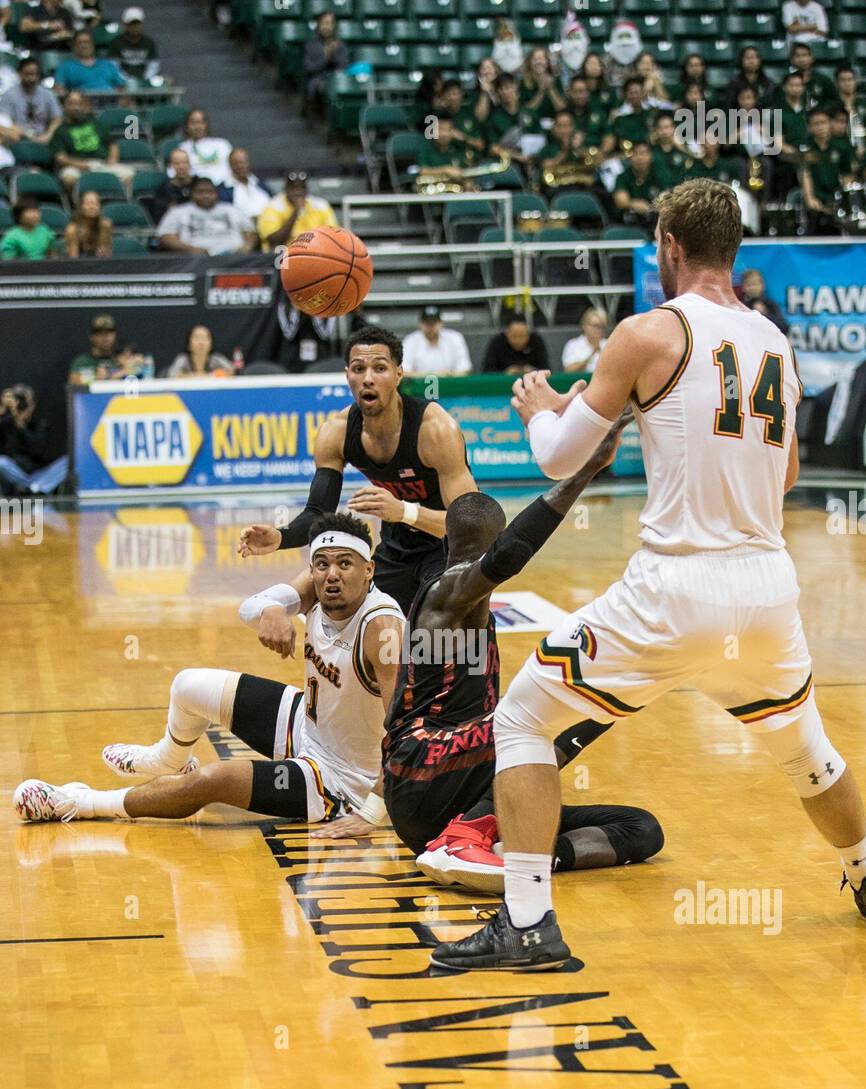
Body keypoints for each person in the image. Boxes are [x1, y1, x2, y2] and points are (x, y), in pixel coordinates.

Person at [437, 178, 866, 973]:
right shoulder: (774, 339)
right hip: (768, 586)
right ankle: (865, 874)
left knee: (523, 721)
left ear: (668, 245)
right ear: (736, 251)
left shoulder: (647, 331)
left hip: (678, 586)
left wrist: (538, 405)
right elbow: (790, 471)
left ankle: (527, 923)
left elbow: (562, 456)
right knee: (810, 752)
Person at [381, 413, 663, 905]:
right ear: (487, 544)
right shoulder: (446, 594)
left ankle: (518, 851)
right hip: (419, 773)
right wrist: (585, 471)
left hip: (458, 780)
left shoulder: (465, 604)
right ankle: (461, 841)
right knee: (562, 706)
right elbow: (512, 552)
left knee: (641, 829)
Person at [14, 515, 406, 838]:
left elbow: (406, 729)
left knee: (214, 780)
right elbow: (250, 609)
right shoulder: (319, 587)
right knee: (188, 685)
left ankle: (81, 802)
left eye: (345, 563)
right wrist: (274, 608)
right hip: (307, 725)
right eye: (322, 564)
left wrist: (372, 812)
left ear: (368, 569)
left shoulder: (382, 627)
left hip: (339, 780)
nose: (332, 574)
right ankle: (166, 761)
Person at [236, 328, 477, 616]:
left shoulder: (435, 429)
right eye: (359, 369)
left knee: (434, 628)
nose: (368, 378)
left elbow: (472, 525)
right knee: (347, 613)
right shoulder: (335, 433)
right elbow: (317, 512)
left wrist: (403, 511)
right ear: (347, 375)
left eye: (380, 368)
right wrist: (281, 537)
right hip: (397, 546)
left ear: (399, 374)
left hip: (450, 549)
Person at [50, 91, 136, 194]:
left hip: (101, 164)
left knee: (129, 174)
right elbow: (60, 158)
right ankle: (78, 207)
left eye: (79, 104)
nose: (75, 107)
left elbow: (112, 144)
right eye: (71, 104)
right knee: (68, 177)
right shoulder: (60, 130)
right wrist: (82, 165)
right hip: (76, 167)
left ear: (84, 106)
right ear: (65, 106)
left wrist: (112, 160)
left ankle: (115, 206)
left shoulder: (96, 123)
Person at [156, 176, 256, 255]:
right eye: (200, 192)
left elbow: (251, 233)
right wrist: (189, 249)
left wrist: (246, 246)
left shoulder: (233, 210)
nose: (206, 196)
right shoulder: (178, 212)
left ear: (217, 193)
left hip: (234, 259)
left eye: (210, 192)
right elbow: (166, 237)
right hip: (193, 260)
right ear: (192, 193)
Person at [0, 384, 68, 496]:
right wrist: (2, 409)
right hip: (15, 475)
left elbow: (38, 450)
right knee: (1, 462)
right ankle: (36, 488)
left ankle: (33, 488)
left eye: (25, 403)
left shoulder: (39, 424)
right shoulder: (5, 423)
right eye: (18, 402)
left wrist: (21, 426)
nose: (22, 406)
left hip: (38, 474)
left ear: (32, 405)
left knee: (67, 462)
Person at [801, 106, 853, 232]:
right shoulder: (805, 148)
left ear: (830, 123)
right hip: (817, 198)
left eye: (823, 122)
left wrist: (844, 198)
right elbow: (804, 174)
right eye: (816, 124)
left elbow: (847, 175)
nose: (820, 127)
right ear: (809, 127)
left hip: (837, 197)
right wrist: (810, 198)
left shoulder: (842, 147)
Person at [257, 170, 336, 252]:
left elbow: (332, 237)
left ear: (307, 189)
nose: (298, 192)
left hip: (313, 254)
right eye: (293, 188)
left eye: (302, 188)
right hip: (280, 258)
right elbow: (274, 242)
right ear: (285, 189)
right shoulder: (273, 207)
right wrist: (296, 212)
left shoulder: (320, 206)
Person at [0, 57, 63, 143]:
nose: (31, 78)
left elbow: (57, 118)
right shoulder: (9, 95)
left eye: (34, 74)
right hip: (18, 138)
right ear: (19, 73)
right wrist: (27, 135)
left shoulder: (48, 94)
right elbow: (4, 120)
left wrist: (48, 134)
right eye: (28, 74)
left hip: (44, 137)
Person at [613, 141, 668, 233]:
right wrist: (633, 204)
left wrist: (651, 208)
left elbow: (667, 197)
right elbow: (621, 201)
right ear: (630, 157)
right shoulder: (623, 177)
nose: (640, 158)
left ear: (650, 156)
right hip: (629, 221)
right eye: (635, 154)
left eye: (643, 153)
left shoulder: (659, 175)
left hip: (654, 220)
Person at [402, 306, 472, 377]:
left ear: (441, 323)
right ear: (420, 324)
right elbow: (403, 372)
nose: (430, 327)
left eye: (433, 323)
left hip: (449, 385)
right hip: (420, 386)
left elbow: (465, 369)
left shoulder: (455, 338)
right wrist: (434, 376)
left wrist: (448, 375)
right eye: (427, 323)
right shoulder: (410, 341)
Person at [54, 31, 127, 95]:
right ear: (74, 46)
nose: (84, 46)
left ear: (93, 44)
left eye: (87, 42)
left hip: (110, 105)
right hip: (82, 107)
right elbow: (59, 91)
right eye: (80, 42)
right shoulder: (65, 67)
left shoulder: (108, 65)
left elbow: (121, 88)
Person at [303, 10, 347, 109]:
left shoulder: (340, 45)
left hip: (336, 79)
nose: (327, 27)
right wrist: (325, 57)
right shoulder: (311, 45)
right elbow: (309, 69)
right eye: (324, 23)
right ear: (319, 25)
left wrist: (333, 53)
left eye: (330, 24)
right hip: (318, 79)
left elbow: (343, 66)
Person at [178, 108, 233, 185]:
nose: (197, 127)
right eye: (193, 123)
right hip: (198, 191)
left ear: (206, 124)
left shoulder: (223, 144)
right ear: (187, 126)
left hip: (226, 189)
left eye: (201, 122)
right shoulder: (183, 149)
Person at [482, 313, 549, 375]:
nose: (518, 340)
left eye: (522, 336)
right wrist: (505, 372)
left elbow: (546, 369)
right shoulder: (497, 342)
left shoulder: (536, 341)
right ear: (507, 333)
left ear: (529, 333)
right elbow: (487, 371)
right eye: (514, 336)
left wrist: (534, 371)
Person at [68, 313, 125, 385]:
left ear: (115, 335)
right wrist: (95, 378)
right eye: (100, 333)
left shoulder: (121, 360)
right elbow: (73, 381)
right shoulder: (82, 362)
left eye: (109, 332)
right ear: (91, 337)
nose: (105, 338)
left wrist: (129, 369)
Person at [107, 7, 160, 83]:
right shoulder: (116, 42)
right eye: (132, 24)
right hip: (122, 82)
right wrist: (127, 79)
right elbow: (113, 66)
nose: (135, 27)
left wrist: (145, 79)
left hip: (145, 81)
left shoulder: (149, 42)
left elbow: (153, 65)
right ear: (125, 25)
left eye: (137, 24)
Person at [217, 147, 269, 222]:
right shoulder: (223, 189)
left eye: (243, 162)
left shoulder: (259, 183)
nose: (240, 166)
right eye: (236, 163)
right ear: (230, 165)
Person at [147, 146, 194, 222]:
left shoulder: (199, 185)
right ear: (171, 166)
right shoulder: (163, 190)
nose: (181, 166)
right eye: (177, 163)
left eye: (184, 162)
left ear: (190, 164)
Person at [166, 324, 233, 377]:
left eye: (205, 338)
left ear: (211, 344)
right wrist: (197, 377)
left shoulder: (216, 359)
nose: (201, 343)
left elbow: (231, 370)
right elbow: (172, 374)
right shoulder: (183, 359)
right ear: (189, 344)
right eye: (196, 338)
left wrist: (217, 374)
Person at [737, 268, 788, 335]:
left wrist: (764, 314)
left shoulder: (770, 304)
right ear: (743, 287)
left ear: (762, 285)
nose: (753, 288)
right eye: (749, 284)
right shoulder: (739, 306)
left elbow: (784, 328)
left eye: (755, 284)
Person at [64, 188, 113, 257]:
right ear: (81, 207)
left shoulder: (105, 225)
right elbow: (73, 261)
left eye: (96, 203)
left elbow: (107, 256)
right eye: (88, 203)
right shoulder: (72, 230)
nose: (92, 207)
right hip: (78, 264)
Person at [562, 307, 608, 372]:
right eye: (595, 326)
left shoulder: (608, 344)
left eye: (602, 326)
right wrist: (591, 355)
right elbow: (568, 370)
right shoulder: (573, 345)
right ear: (584, 326)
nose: (599, 330)